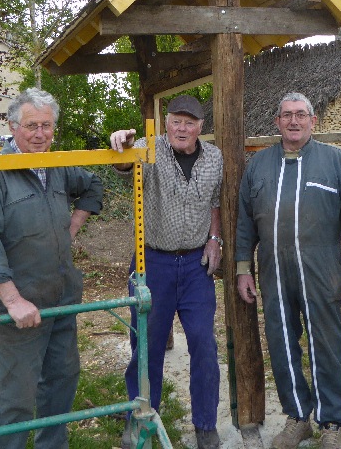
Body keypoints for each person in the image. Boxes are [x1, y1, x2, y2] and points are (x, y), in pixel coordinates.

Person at [0, 88, 104, 449]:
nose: (39, 134)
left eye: (46, 125)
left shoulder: (57, 166)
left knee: (61, 381)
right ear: (13, 127)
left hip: (61, 297)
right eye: (31, 126)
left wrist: (73, 224)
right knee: (14, 397)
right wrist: (12, 301)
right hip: (19, 306)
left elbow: (92, 184)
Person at [236, 92, 341, 449]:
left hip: (321, 264)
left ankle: (331, 423)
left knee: (326, 344)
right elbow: (244, 223)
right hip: (273, 267)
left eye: (300, 115)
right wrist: (242, 267)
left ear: (313, 120)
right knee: (281, 341)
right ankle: (298, 417)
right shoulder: (259, 165)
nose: (293, 121)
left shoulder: (334, 161)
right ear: (277, 122)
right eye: (286, 115)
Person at [109, 94, 223, 449]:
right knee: (146, 344)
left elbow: (215, 202)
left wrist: (214, 238)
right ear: (166, 123)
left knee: (204, 343)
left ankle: (205, 424)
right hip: (152, 262)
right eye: (176, 121)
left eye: (190, 122)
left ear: (201, 127)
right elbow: (125, 162)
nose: (182, 128)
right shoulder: (150, 146)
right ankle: (140, 419)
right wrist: (122, 144)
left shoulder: (214, 157)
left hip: (195, 266)